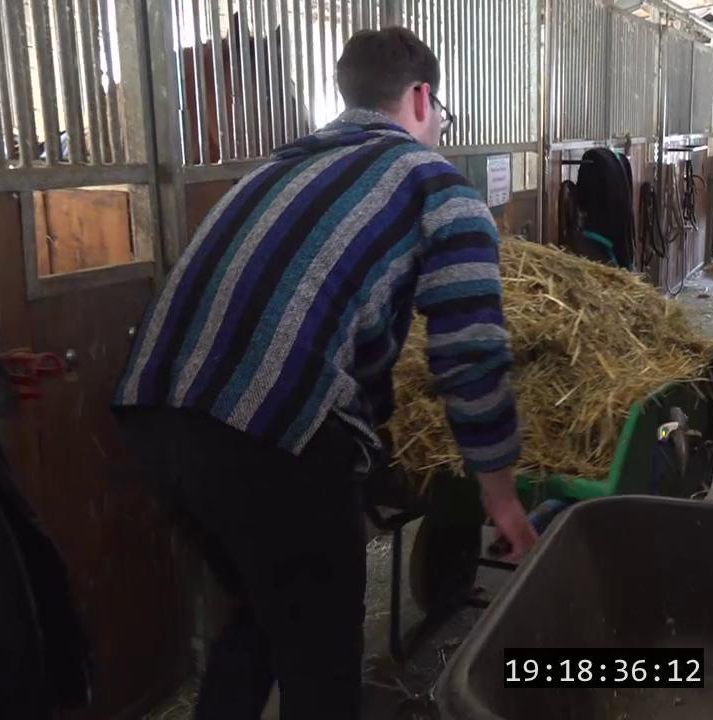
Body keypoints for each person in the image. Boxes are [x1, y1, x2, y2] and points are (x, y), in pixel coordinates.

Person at [111, 26, 537, 719]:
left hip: (153, 417)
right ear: (422, 98)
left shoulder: (274, 169)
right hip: (270, 432)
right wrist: (500, 494)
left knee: (255, 614)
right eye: (444, 117)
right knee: (322, 660)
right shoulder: (435, 184)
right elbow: (470, 354)